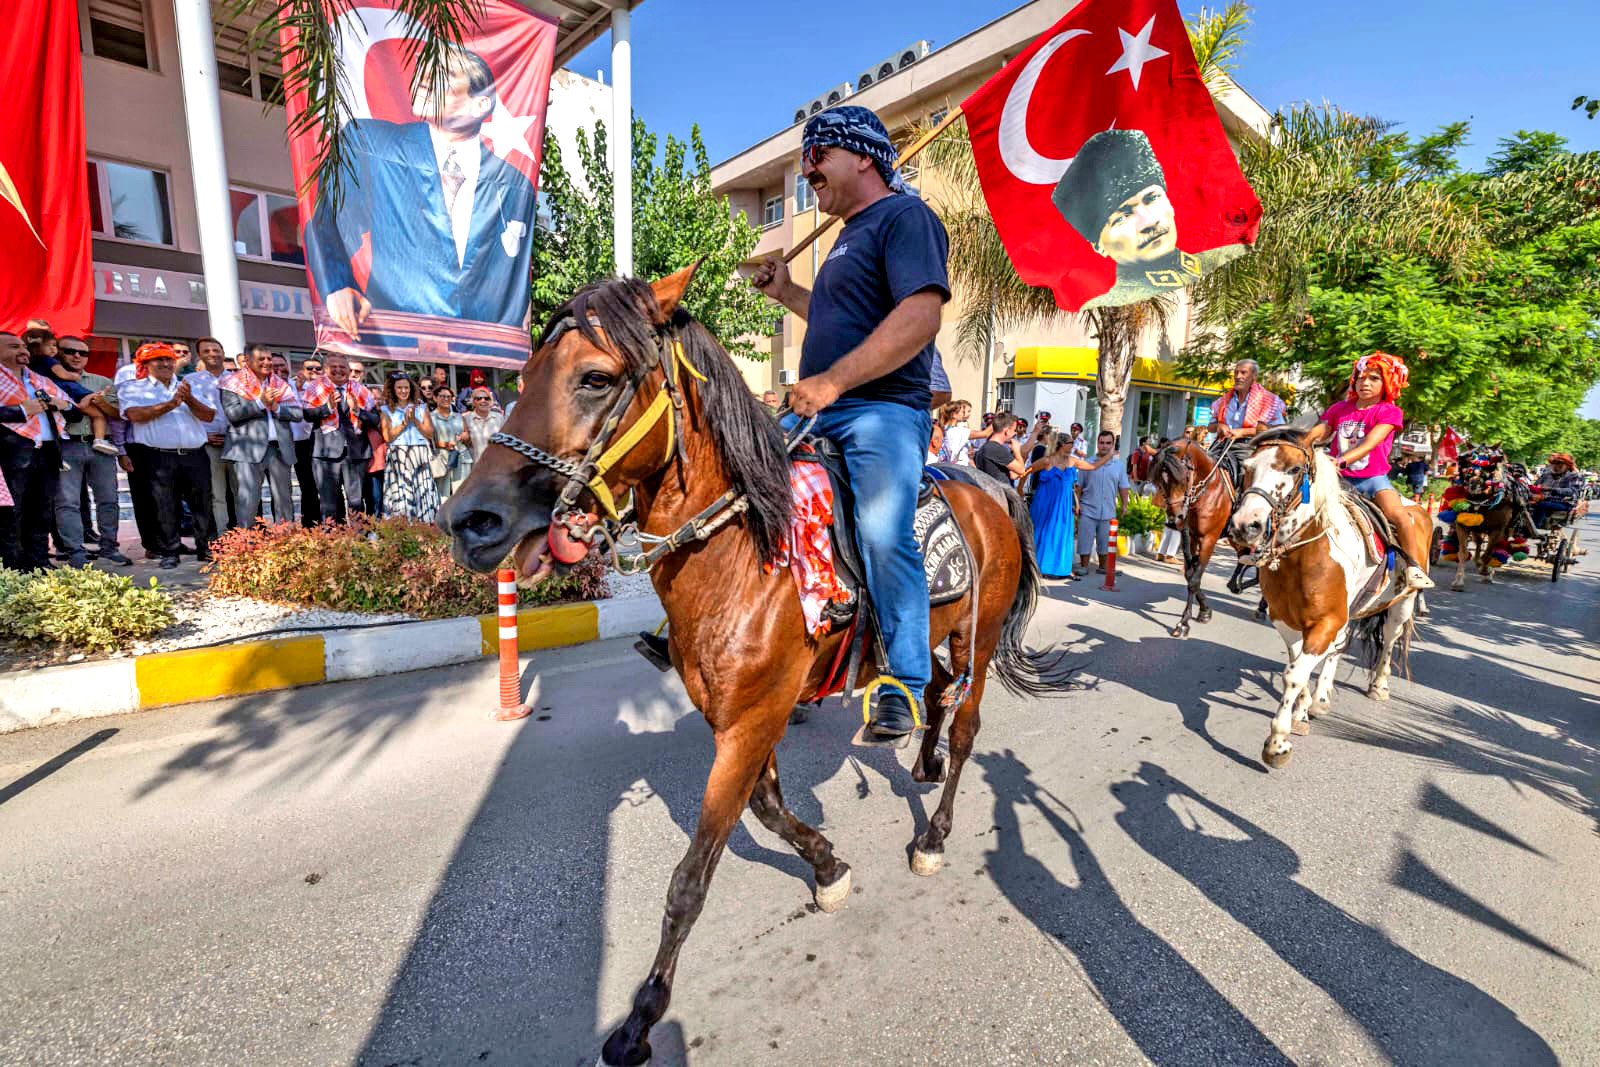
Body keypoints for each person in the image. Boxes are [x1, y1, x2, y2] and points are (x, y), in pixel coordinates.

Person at [750, 103, 949, 742]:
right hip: (821, 410)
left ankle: (907, 684)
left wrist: (833, 381)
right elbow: (844, 319)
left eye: (819, 157)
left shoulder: (905, 217)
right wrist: (785, 293)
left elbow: (919, 318)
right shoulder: (848, 233)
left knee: (883, 532)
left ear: (863, 156)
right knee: (743, 495)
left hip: (884, 411)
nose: (810, 171)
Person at [306, 46, 537, 340]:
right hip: (389, 336)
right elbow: (328, 224)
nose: (426, 77)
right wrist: (336, 285)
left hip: (480, 344)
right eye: (426, 69)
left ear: (480, 105)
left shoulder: (513, 184)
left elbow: (512, 276)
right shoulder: (371, 143)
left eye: (445, 75)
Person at [1052, 129, 1244, 310]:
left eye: (1151, 198)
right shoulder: (1109, 301)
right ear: (1098, 246)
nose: (1149, 222)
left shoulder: (1223, 260)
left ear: (1169, 202)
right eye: (1123, 216)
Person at [1304, 351, 1433, 592]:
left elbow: (1370, 444)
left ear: (1387, 383)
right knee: (1296, 503)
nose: (1365, 383)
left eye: (1374, 378)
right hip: (1336, 480)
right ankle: (1266, 549)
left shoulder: (1389, 411)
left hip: (1372, 479)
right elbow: (1319, 432)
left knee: (1400, 517)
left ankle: (1413, 568)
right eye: (1361, 378)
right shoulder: (1339, 408)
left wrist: (1339, 461)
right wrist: (1299, 445)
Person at [119, 343, 220, 568]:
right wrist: (171, 403)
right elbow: (135, 415)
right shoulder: (133, 388)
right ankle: (170, 552)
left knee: (202, 504)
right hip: (158, 457)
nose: (165, 364)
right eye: (158, 360)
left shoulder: (190, 385)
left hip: (195, 455)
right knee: (164, 505)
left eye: (169, 360)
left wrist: (189, 399)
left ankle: (206, 549)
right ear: (144, 364)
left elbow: (209, 415)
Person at [0, 330, 81, 571]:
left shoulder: (40, 380)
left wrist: (62, 404)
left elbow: (75, 412)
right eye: (14, 347)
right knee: (11, 513)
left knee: (41, 510)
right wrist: (22, 411)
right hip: (10, 453)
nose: (23, 351)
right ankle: (13, 567)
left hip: (47, 452)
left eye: (23, 347)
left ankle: (39, 562)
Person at [52, 338, 130, 566]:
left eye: (83, 353)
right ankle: (75, 552)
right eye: (70, 351)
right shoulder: (48, 381)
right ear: (58, 353)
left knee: (108, 499)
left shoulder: (102, 381)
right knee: (67, 502)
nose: (77, 356)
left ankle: (109, 547)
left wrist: (101, 404)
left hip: (101, 445)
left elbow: (117, 414)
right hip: (66, 444)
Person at [219, 343, 303, 525]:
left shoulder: (280, 384)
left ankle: (286, 541)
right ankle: (247, 546)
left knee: (284, 500)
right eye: (261, 359)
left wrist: (277, 407)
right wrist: (260, 403)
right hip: (247, 450)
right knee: (247, 500)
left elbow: (298, 414)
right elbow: (233, 415)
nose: (267, 362)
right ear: (247, 360)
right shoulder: (232, 383)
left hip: (279, 449)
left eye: (269, 358)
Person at [299, 352, 381, 521]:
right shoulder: (315, 387)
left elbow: (375, 419)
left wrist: (358, 411)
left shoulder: (360, 390)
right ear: (326, 369)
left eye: (342, 367)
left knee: (357, 502)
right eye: (333, 367)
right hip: (325, 454)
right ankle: (333, 541)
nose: (338, 370)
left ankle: (360, 541)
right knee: (329, 504)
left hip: (356, 453)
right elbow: (307, 415)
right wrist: (327, 407)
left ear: (348, 370)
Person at [1023, 435, 1112, 579]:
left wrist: (1109, 455)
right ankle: (1038, 567)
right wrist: (1020, 489)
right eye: (1072, 443)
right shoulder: (1047, 460)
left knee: (1063, 535)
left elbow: (1093, 467)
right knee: (1044, 534)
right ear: (1063, 444)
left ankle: (1063, 569)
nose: (1074, 445)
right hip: (1045, 504)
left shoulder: (1073, 461)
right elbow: (1027, 471)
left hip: (1063, 506)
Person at [187, 337, 236, 535]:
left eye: (216, 350)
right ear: (200, 355)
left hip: (237, 443)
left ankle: (245, 535)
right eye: (206, 351)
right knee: (217, 494)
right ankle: (223, 536)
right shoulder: (191, 381)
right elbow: (186, 414)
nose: (212, 354)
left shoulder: (238, 379)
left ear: (223, 352)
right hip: (209, 443)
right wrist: (204, 437)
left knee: (241, 492)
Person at [1209, 359, 1286, 481]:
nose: (1238, 376)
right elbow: (1210, 427)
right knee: (1201, 467)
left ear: (1254, 376)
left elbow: (1279, 429)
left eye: (1243, 373)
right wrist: (1219, 426)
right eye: (1236, 373)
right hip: (1222, 443)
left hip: (1249, 445)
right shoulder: (1225, 399)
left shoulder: (1268, 399)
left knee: (1244, 474)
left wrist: (1243, 432)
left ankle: (1241, 498)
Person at [378, 372, 439, 521]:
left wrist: (415, 421)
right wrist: (405, 422)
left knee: (422, 492)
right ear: (393, 389)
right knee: (402, 493)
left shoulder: (421, 407)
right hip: (399, 454)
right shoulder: (385, 410)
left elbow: (430, 434)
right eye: (399, 388)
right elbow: (388, 437)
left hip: (419, 454)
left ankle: (425, 530)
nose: (403, 391)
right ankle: (404, 530)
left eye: (406, 387)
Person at [1076, 430, 1132, 576]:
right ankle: (1084, 566)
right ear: (1097, 444)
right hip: (1087, 508)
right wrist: (1077, 505)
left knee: (1105, 541)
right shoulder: (1087, 463)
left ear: (1113, 445)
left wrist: (1125, 505)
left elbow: (1123, 487)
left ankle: (1103, 567)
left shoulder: (1119, 466)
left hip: (1108, 510)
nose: (1104, 446)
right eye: (1102, 443)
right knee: (1085, 539)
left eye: (1108, 443)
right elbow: (1078, 487)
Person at [289, 353, 324, 526]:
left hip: (322, 441)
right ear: (302, 370)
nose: (314, 371)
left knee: (324, 485)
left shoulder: (325, 388)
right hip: (301, 442)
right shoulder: (293, 387)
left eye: (318, 368)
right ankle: (310, 525)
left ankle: (327, 523)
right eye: (310, 368)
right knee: (308, 486)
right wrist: (299, 389)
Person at [429, 384, 471, 501]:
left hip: (461, 457)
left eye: (449, 396)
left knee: (462, 494)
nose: (446, 399)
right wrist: (444, 444)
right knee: (442, 496)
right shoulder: (430, 417)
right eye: (442, 396)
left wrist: (466, 436)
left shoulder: (459, 416)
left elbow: (467, 435)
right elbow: (429, 441)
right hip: (441, 459)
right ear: (435, 398)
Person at [975, 414, 1038, 484]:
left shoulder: (988, 446)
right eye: (1014, 430)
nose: (1015, 433)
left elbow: (1013, 475)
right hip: (997, 492)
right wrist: (1017, 450)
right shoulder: (995, 448)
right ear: (1007, 431)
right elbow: (1021, 470)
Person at [1532, 452, 1583, 528]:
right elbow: (1536, 485)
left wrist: (1553, 490)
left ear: (1567, 465)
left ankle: (1533, 528)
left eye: (1560, 463)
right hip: (1544, 499)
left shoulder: (1574, 476)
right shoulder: (1547, 474)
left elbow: (1572, 491)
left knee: (1542, 505)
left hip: (1565, 503)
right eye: (1554, 463)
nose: (1556, 466)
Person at [465, 386, 503, 460]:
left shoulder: (499, 418)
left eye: (487, 398)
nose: (483, 400)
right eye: (479, 398)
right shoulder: (466, 419)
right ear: (473, 402)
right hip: (475, 465)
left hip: (496, 463)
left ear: (491, 401)